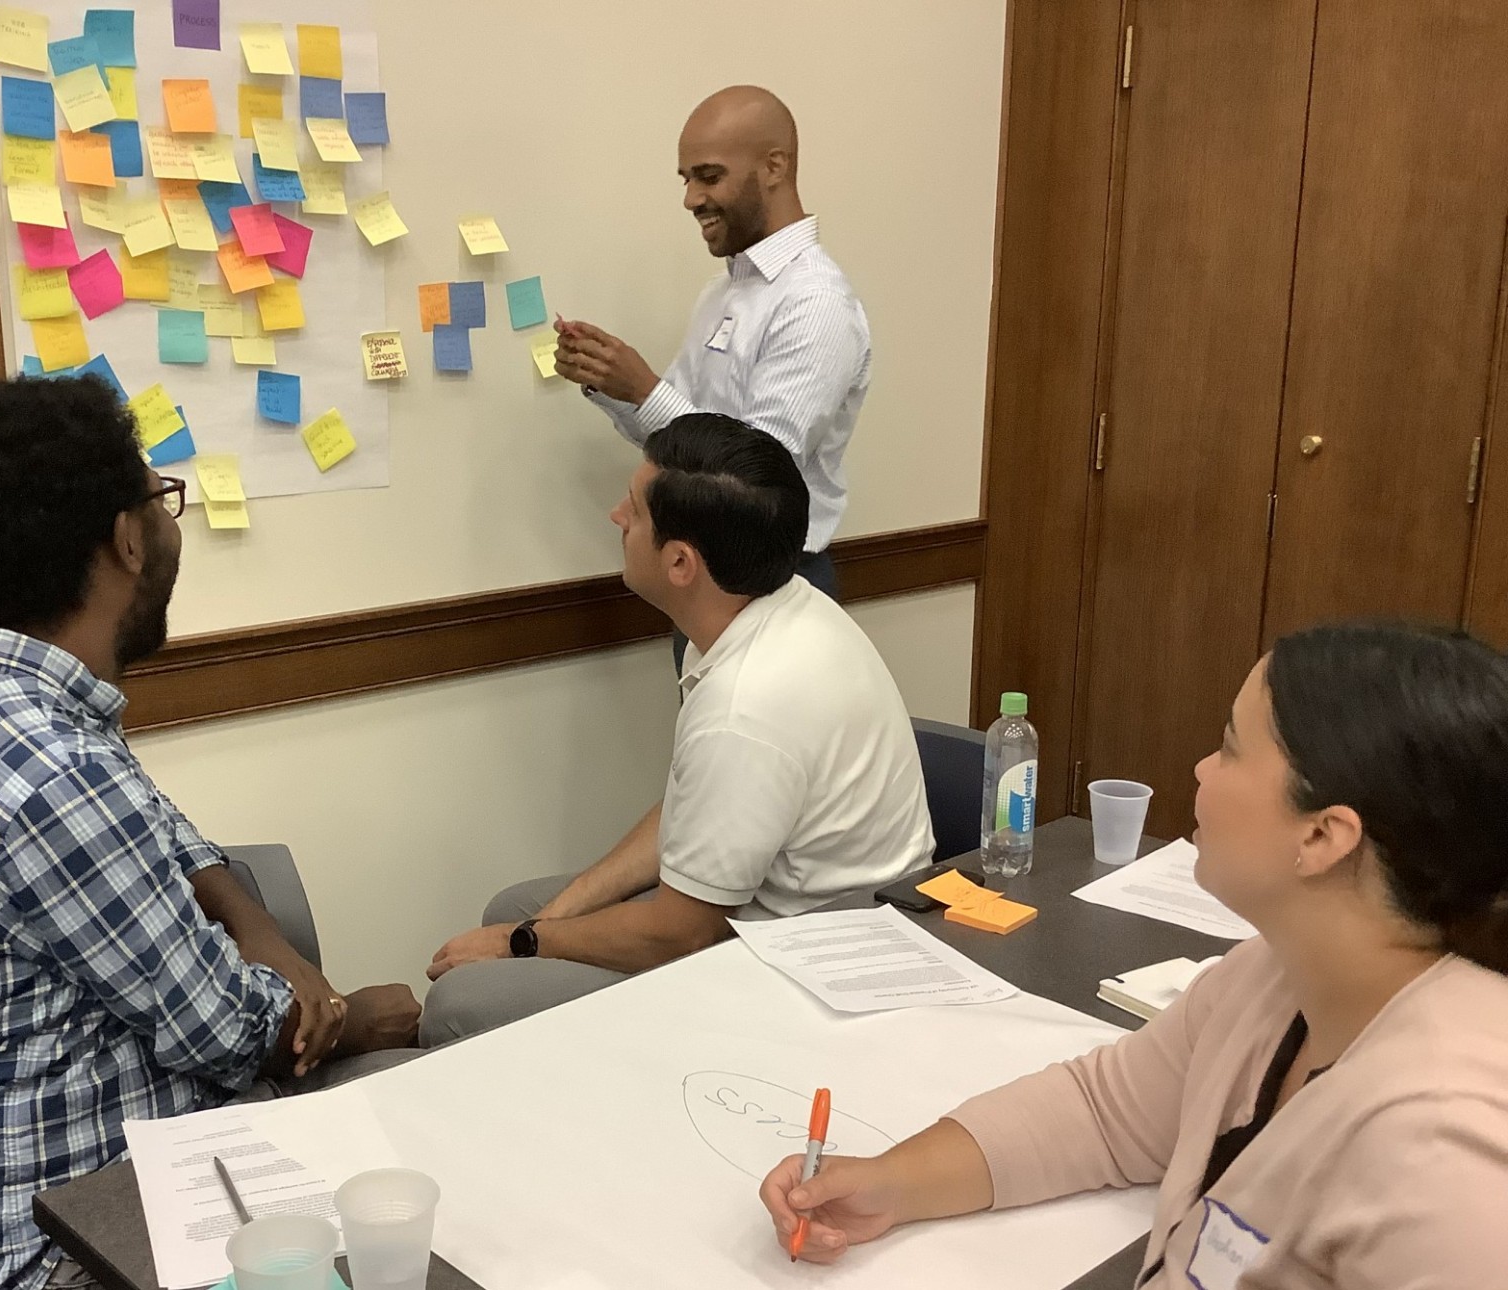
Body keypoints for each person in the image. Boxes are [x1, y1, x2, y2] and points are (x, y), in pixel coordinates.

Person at [0, 376, 421, 1290]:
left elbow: (159, 823)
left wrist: (268, 938)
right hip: (55, 1242)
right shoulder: (51, 776)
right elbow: (235, 1035)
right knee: (416, 1143)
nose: (169, 528)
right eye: (162, 502)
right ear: (127, 540)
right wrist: (355, 1017)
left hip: (12, 1176)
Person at [760, 622, 1508, 1287]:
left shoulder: (1449, 1162)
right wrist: (892, 1183)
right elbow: (1101, 1112)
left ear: (1323, 837)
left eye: (1229, 748)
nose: (1201, 770)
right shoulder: (1277, 980)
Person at [421, 414, 934, 1045]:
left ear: (682, 563)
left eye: (633, 511)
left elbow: (682, 933)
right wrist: (541, 927)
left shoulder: (744, 709)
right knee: (516, 908)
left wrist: (522, 945)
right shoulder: (770, 608)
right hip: (756, 917)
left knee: (461, 1001)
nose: (616, 517)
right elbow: (689, 811)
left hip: (805, 973)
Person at [554, 85, 872, 668]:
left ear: (775, 167)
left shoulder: (815, 302)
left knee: (753, 752)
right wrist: (613, 384)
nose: (691, 198)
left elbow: (754, 474)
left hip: (773, 584)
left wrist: (646, 390)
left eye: (708, 176)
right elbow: (679, 442)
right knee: (710, 753)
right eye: (685, 178)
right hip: (701, 581)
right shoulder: (722, 293)